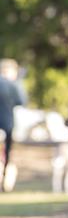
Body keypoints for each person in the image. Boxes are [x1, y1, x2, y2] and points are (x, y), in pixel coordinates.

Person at [0, 58, 27, 192]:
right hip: (7, 124)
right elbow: (21, 101)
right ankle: (4, 181)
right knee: (6, 155)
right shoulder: (13, 85)